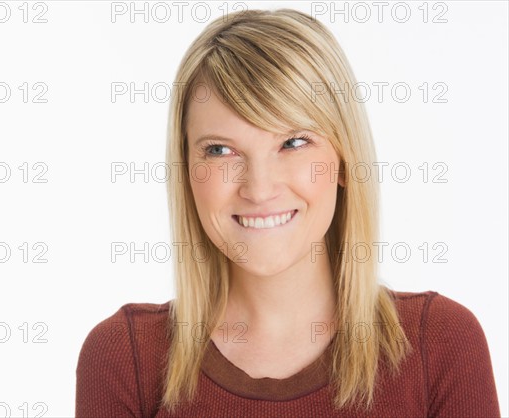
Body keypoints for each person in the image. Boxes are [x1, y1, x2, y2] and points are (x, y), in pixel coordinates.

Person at [75, 8, 500, 417]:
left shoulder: (440, 345)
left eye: (293, 142)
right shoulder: (126, 360)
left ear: (345, 160)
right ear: (186, 170)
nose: (259, 188)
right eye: (220, 150)